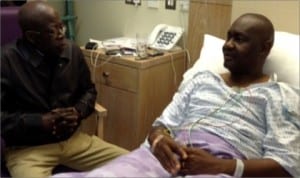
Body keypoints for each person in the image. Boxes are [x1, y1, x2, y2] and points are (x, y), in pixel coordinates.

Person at [53, 13, 299, 178]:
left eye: (239, 39)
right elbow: (161, 126)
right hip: (164, 158)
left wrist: (221, 166)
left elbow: (287, 165)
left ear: (264, 48)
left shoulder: (280, 97)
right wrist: (160, 141)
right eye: (228, 36)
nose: (227, 45)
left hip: (220, 167)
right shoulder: (202, 80)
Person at [1, 1, 128, 177]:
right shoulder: (5, 61)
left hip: (75, 142)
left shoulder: (71, 50)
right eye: (54, 31)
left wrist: (77, 111)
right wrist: (39, 121)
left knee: (133, 164)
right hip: (27, 151)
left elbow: (89, 91)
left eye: (62, 28)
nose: (62, 35)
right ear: (32, 37)